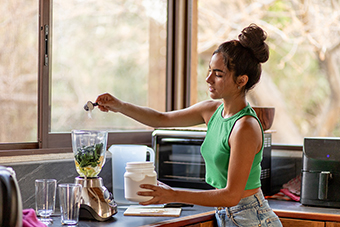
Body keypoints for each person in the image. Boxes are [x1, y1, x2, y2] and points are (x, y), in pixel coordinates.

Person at [95, 24, 282, 227]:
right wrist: (119, 106)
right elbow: (161, 119)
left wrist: (173, 194)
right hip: (228, 216)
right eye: (209, 70)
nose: (208, 79)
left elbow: (231, 196)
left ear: (241, 80)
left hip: (252, 218)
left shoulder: (245, 127)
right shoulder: (211, 111)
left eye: (218, 74)